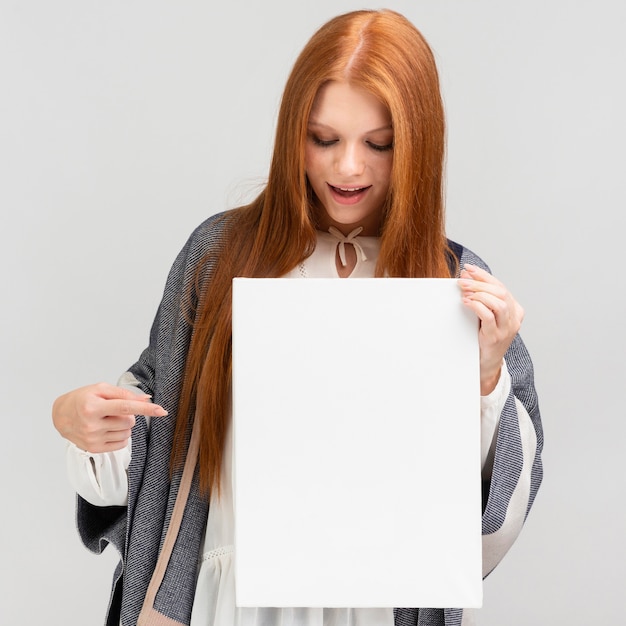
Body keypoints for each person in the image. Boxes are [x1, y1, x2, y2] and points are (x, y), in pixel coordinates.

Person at [52, 9, 543, 626]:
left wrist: (485, 376)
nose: (348, 168)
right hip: (228, 603)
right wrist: (85, 426)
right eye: (324, 138)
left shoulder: (453, 285)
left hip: (374, 607)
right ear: (293, 134)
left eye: (379, 143)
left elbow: (487, 529)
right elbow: (157, 441)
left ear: (419, 141)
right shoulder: (219, 261)